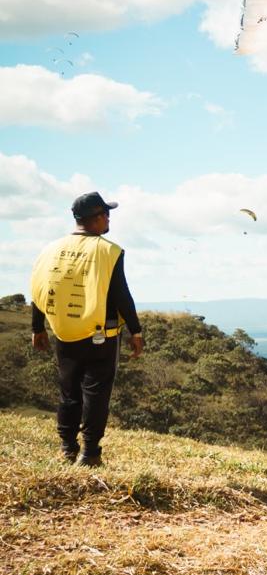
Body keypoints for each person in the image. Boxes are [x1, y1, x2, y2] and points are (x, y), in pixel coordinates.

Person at [30, 192, 144, 466]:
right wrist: (136, 330)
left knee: (69, 390)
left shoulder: (51, 249)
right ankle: (90, 452)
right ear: (96, 218)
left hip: (64, 331)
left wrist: (38, 327)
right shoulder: (109, 250)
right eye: (106, 214)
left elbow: (40, 289)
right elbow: (120, 293)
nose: (108, 218)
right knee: (96, 391)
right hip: (100, 334)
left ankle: (67, 446)